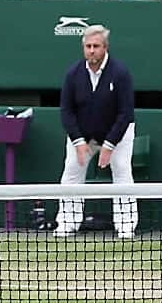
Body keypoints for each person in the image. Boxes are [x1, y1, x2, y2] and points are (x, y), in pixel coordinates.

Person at [54, 23, 137, 240]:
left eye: (96, 46)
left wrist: (109, 145)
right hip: (83, 135)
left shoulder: (120, 73)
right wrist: (79, 142)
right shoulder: (73, 74)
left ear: (105, 47)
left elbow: (126, 113)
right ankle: (67, 222)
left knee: (121, 171)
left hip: (117, 133)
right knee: (71, 173)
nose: (92, 50)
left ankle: (126, 225)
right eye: (88, 46)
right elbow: (66, 111)